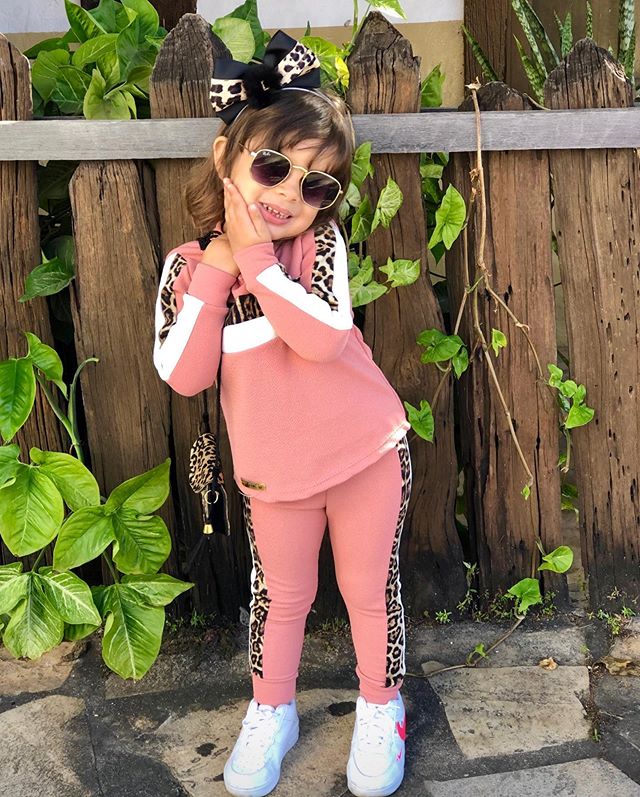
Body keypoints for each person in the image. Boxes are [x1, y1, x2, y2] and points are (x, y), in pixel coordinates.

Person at [153, 30, 412, 797]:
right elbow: (186, 374)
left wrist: (259, 261)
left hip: (366, 451)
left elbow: (323, 339)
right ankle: (272, 710)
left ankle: (382, 705)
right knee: (281, 596)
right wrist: (220, 267)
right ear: (225, 156)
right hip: (275, 477)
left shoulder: (317, 248)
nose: (288, 193)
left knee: (369, 589)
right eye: (272, 166)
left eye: (315, 183)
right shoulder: (184, 270)